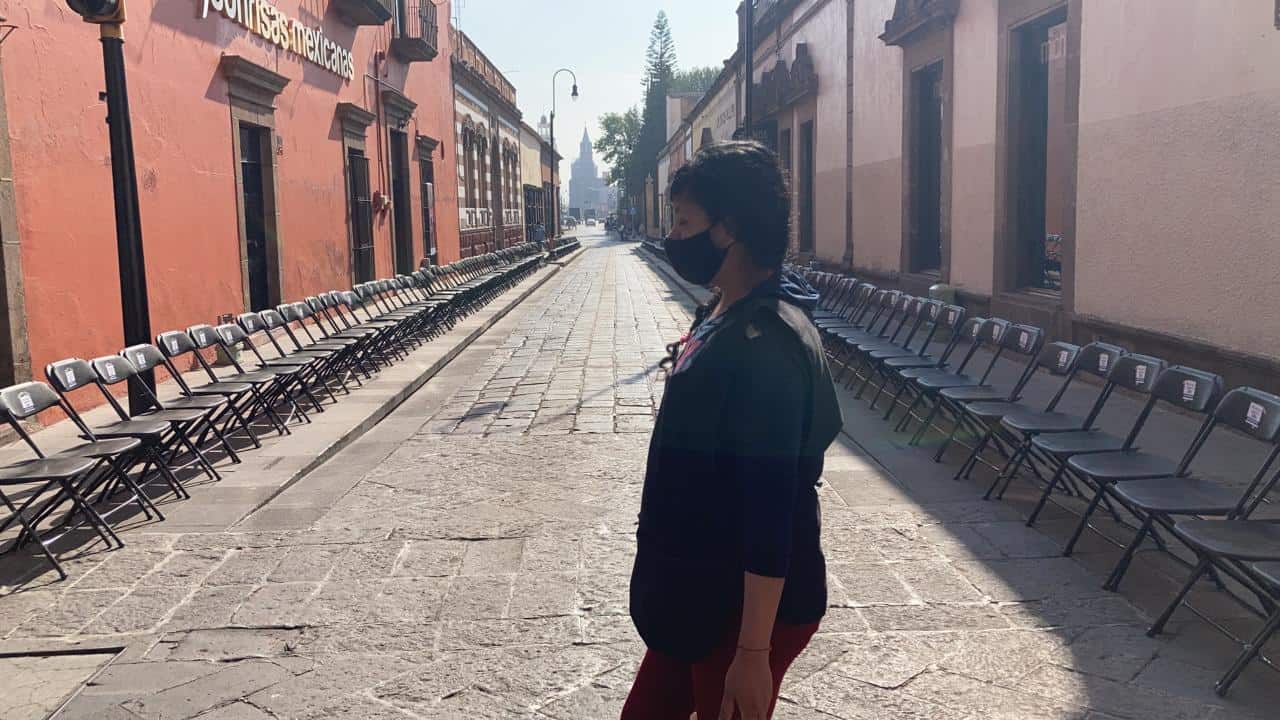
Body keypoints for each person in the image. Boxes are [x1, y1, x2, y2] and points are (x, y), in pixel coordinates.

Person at [623, 141, 843, 720]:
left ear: (731, 228)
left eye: (684, 221)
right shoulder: (724, 308)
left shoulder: (769, 343)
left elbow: (771, 505)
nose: (674, 236)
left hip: (741, 607)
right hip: (695, 587)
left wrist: (752, 654)